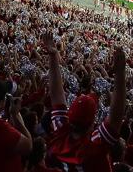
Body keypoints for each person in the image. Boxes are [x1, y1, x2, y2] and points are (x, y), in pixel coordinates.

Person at [45, 33, 126, 171]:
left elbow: (56, 95)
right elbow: (116, 117)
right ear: (91, 121)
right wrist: (120, 73)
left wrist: (53, 56)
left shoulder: (60, 135)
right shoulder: (94, 147)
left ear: (70, 115)